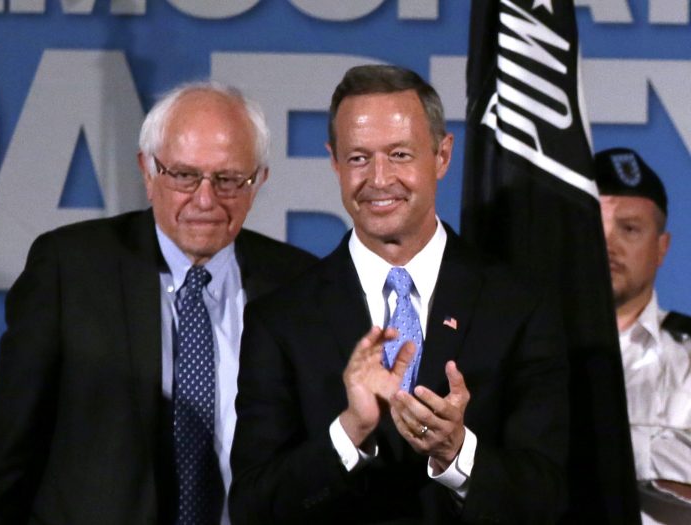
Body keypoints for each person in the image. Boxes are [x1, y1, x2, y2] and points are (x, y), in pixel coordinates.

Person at [0, 82, 316, 525]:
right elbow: (6, 454)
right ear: (147, 171)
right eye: (184, 175)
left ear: (258, 180)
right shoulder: (70, 272)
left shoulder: (299, 285)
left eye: (227, 179)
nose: (205, 200)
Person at [229, 65, 568, 524]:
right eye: (358, 158)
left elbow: (550, 496)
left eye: (400, 155)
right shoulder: (282, 318)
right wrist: (351, 432)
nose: (379, 179)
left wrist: (457, 453)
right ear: (333, 162)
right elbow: (253, 507)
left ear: (442, 156)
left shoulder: (519, 306)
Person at [595, 147, 691, 525]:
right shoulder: (534, 350)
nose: (608, 245)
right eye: (594, 228)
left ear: (661, 247)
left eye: (629, 228)